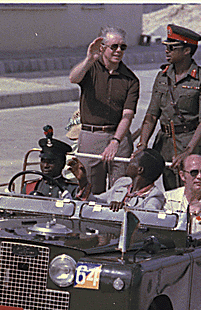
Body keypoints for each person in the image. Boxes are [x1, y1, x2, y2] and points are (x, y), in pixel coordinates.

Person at [135, 24, 201, 191]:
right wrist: (143, 144)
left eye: (172, 48)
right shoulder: (162, 76)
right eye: (166, 47)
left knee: (193, 192)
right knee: (171, 193)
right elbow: (151, 115)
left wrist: (189, 150)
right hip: (164, 143)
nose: (167, 51)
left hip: (190, 142)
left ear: (186, 51)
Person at [69, 26, 139, 195]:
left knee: (119, 192)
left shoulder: (131, 79)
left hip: (118, 139)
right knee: (90, 190)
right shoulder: (90, 69)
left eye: (123, 47)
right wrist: (88, 59)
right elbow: (73, 78)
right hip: (90, 137)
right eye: (113, 46)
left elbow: (127, 116)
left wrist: (115, 142)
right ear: (102, 48)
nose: (118, 51)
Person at [68, 148, 166, 211]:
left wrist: (123, 209)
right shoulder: (123, 183)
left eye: (133, 160)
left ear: (140, 170)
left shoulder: (154, 196)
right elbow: (97, 201)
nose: (129, 162)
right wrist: (83, 181)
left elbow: (148, 218)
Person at [21, 133, 79, 199]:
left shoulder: (72, 189)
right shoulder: (30, 187)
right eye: (43, 161)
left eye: (51, 162)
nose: (45, 165)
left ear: (62, 164)